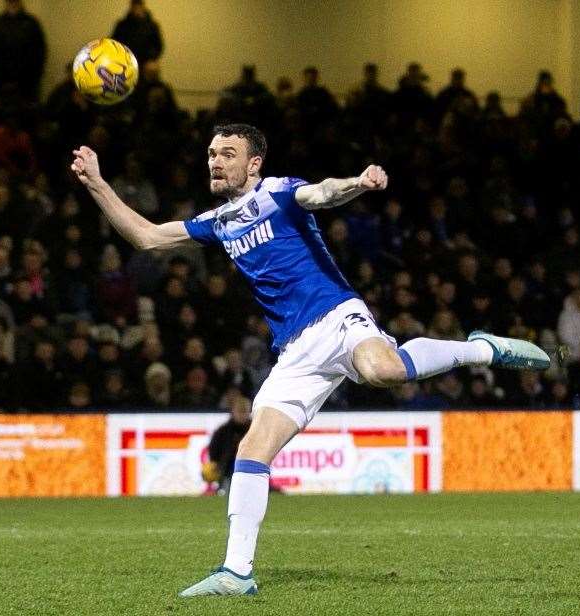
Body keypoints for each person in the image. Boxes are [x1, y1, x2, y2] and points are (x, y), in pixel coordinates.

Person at [70, 122, 551, 597]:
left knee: (382, 370)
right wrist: (97, 183)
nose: (215, 161)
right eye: (212, 153)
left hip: (336, 314)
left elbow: (321, 194)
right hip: (295, 352)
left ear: (254, 164)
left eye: (228, 153)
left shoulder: (276, 193)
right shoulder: (216, 223)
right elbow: (148, 237)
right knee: (251, 449)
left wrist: (358, 184)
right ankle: (237, 573)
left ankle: (481, 347)